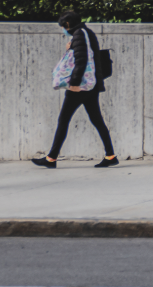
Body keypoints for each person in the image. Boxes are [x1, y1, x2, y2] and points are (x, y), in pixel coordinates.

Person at [32, 9, 117, 170]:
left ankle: (51, 158)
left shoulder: (79, 34)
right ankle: (110, 155)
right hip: (91, 85)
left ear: (68, 24)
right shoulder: (87, 32)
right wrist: (70, 49)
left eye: (63, 26)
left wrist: (74, 83)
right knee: (97, 120)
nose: (63, 30)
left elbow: (81, 61)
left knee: (64, 119)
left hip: (81, 87)